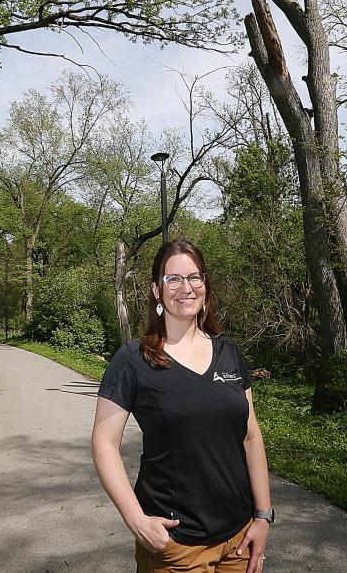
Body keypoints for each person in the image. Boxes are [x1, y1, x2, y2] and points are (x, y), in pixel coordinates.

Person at [91, 238, 273, 573]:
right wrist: (136, 520)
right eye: (173, 278)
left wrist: (263, 516)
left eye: (194, 277)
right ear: (157, 291)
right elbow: (103, 444)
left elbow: (250, 436)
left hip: (240, 539)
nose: (185, 287)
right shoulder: (133, 360)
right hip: (178, 547)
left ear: (205, 285)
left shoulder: (228, 351)